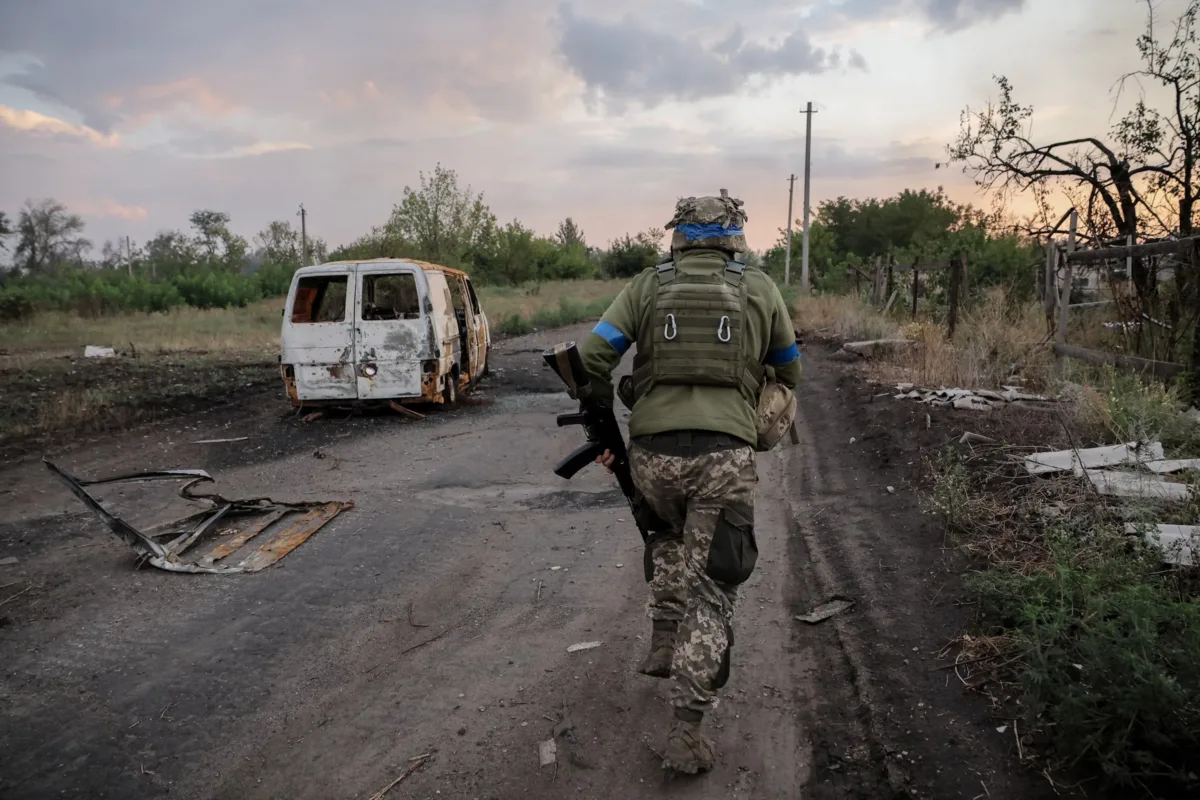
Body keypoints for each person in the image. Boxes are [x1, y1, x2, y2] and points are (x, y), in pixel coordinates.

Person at [579, 190, 801, 774]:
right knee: (714, 589)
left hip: (653, 456)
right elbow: (791, 369)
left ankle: (663, 638)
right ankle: (686, 731)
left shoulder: (647, 285)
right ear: (735, 236)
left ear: (678, 235)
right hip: (723, 458)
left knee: (666, 534)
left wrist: (603, 420)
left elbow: (592, 355)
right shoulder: (760, 287)